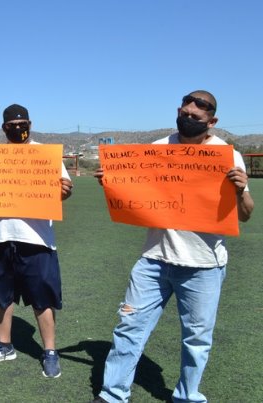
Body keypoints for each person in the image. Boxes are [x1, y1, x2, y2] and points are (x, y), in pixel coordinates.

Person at [91, 91, 254, 403]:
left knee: (197, 339)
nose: (188, 119)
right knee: (129, 327)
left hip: (204, 266)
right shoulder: (157, 149)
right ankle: (113, 394)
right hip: (153, 261)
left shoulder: (227, 155)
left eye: (197, 116)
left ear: (213, 121)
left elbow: (246, 214)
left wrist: (240, 191)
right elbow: (135, 196)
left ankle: (187, 396)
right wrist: (112, 183)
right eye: (184, 113)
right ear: (178, 111)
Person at [0, 104, 73, 378]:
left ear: (31, 123)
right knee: (0, 294)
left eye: (23, 123)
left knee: (42, 297)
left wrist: (64, 191)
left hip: (36, 238)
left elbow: (63, 191)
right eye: (12, 125)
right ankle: (4, 345)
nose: (18, 128)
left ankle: (50, 351)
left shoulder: (45, 154)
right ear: (4, 128)